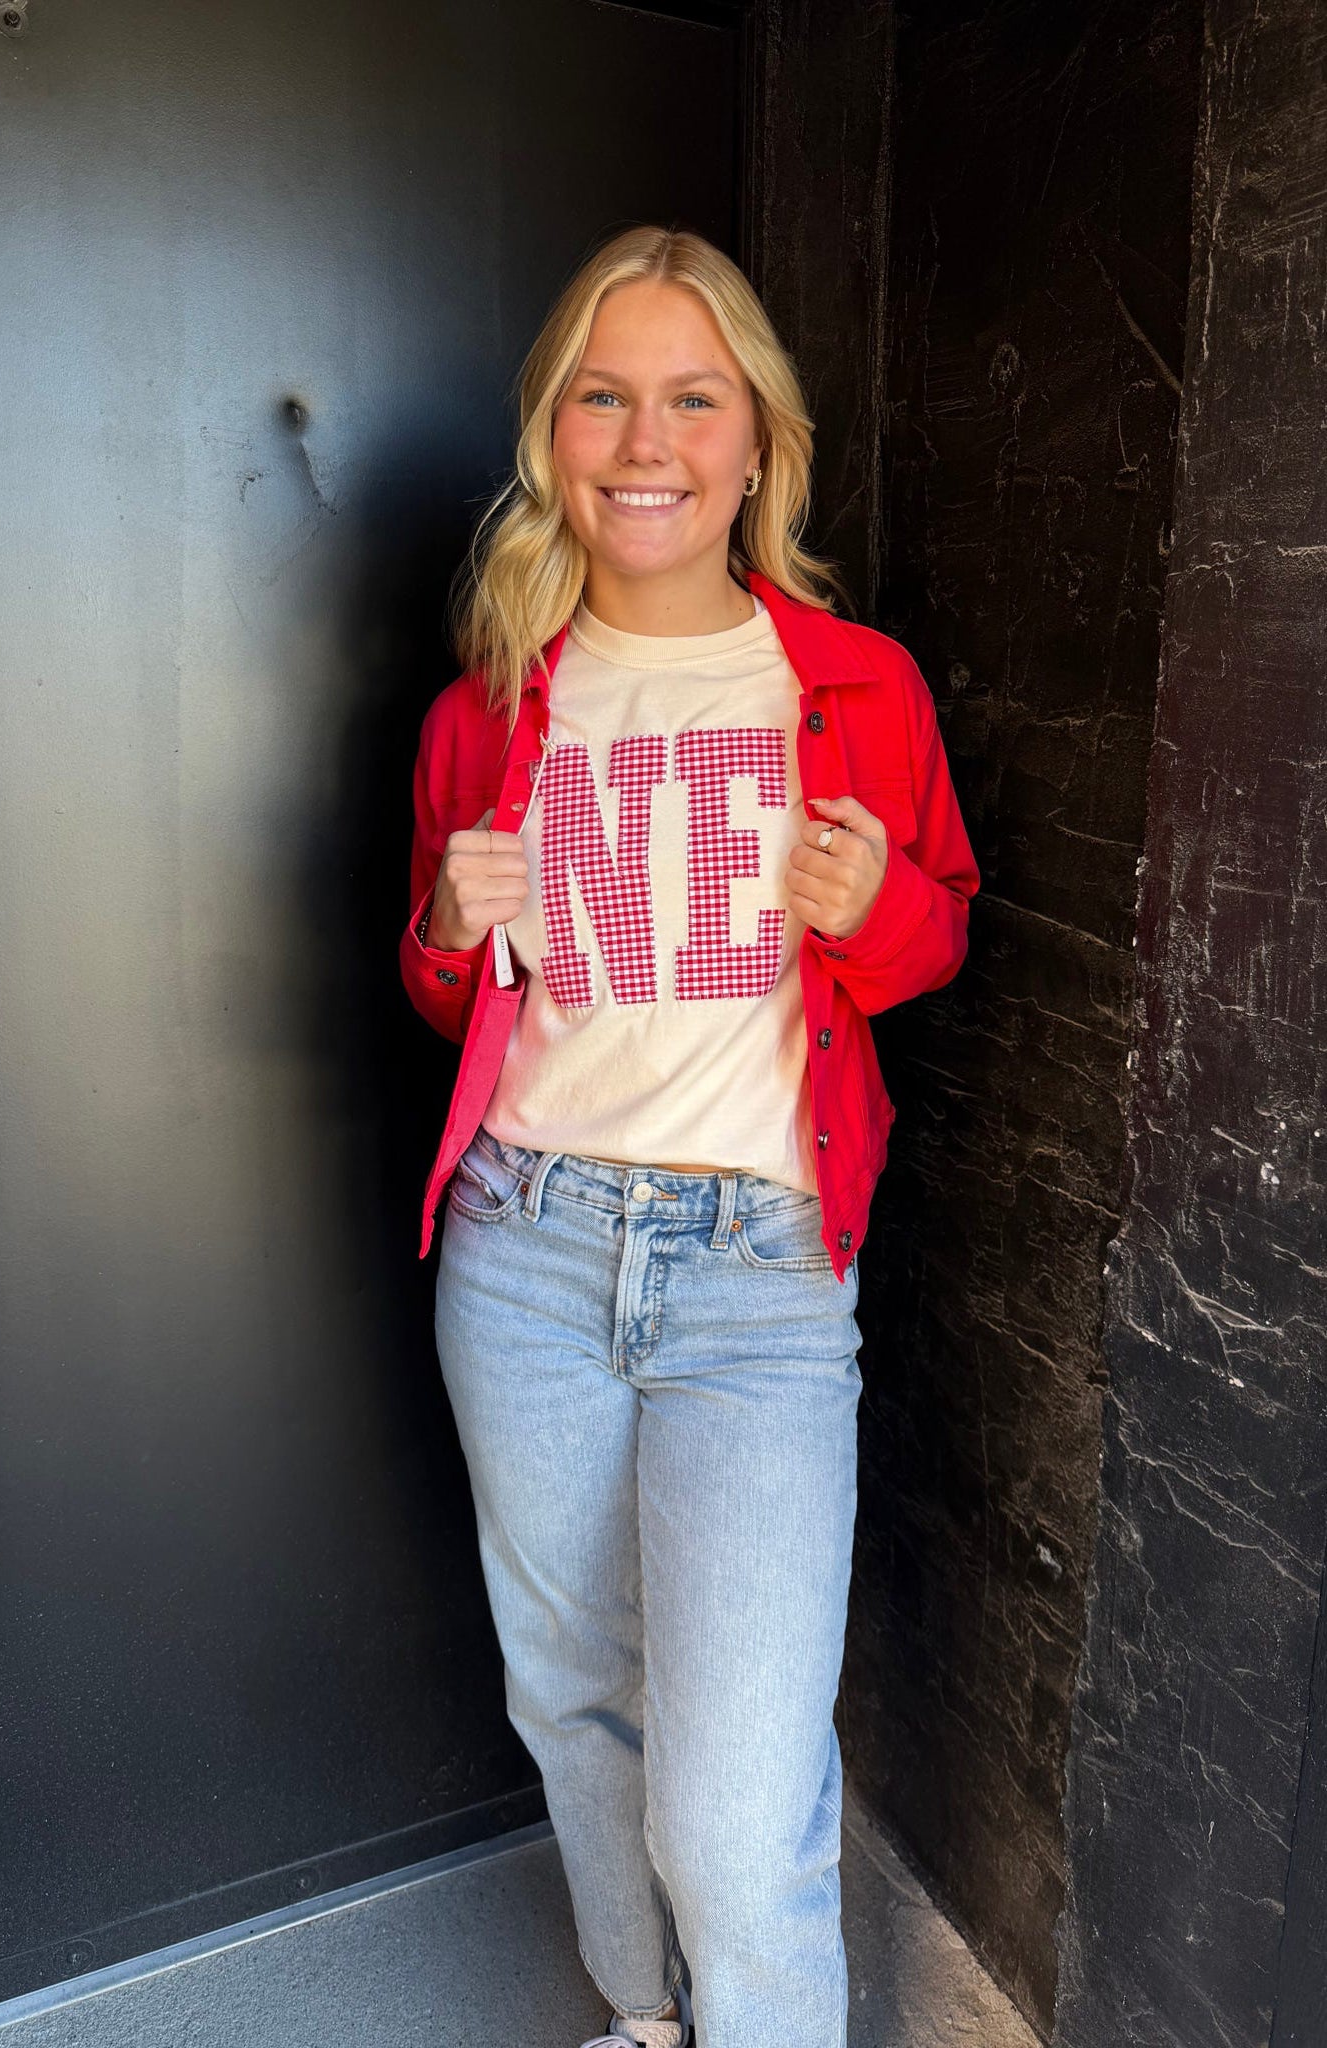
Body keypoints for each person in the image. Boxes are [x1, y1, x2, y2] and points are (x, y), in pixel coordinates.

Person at [398, 224, 980, 2048]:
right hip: (523, 1249)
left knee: (735, 1812)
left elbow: (931, 939)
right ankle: (647, 2022)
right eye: (602, 396)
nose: (644, 442)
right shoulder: (487, 704)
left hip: (754, 1281)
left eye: (691, 399)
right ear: (552, 433)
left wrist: (879, 895)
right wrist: (438, 923)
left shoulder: (858, 687)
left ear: (753, 444)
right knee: (573, 1696)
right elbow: (455, 998)